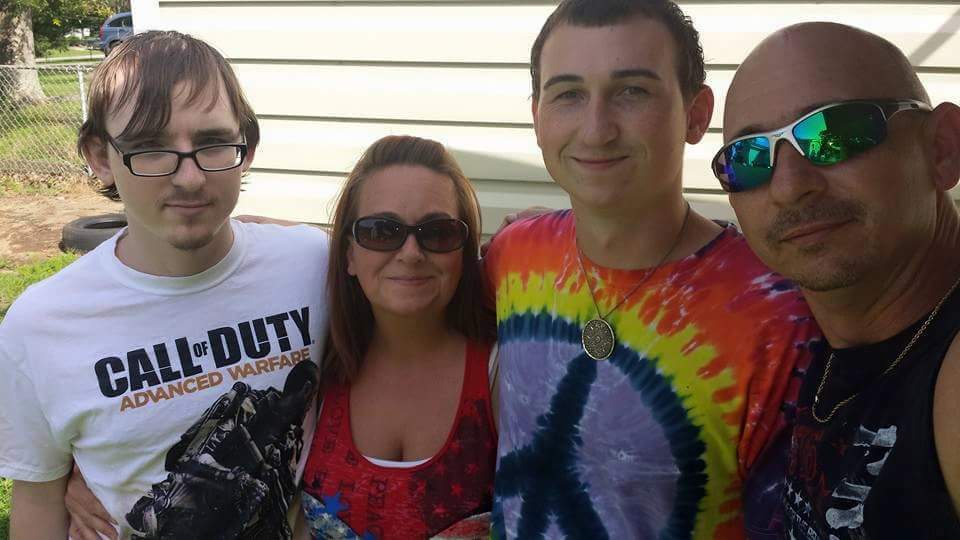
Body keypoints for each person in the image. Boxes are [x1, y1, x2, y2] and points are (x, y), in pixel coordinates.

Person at [483, 1, 821, 537]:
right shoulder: (511, 256)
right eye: (568, 94)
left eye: (632, 91)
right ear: (537, 117)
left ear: (696, 114)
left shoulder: (777, 316)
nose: (597, 129)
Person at [0, 31, 329, 539]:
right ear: (100, 157)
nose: (190, 178)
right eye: (151, 148)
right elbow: (38, 504)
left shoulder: (314, 266)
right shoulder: (41, 326)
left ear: (247, 147)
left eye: (213, 142)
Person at [716, 22, 960, 538]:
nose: (788, 187)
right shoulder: (832, 326)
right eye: (749, 158)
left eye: (833, 134)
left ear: (942, 148)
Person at [298, 135, 498, 538]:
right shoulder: (314, 364)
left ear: (465, 251)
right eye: (381, 231)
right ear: (349, 254)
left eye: (438, 232)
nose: (410, 253)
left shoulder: (504, 372)